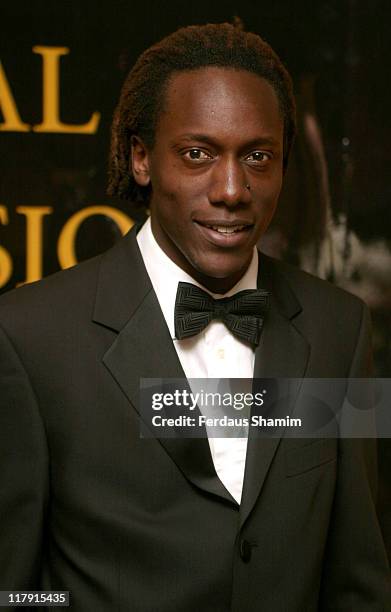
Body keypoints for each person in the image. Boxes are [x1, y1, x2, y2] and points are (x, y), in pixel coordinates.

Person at [0, 22, 389, 612]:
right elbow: (16, 592)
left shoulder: (341, 328)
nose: (232, 189)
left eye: (258, 156)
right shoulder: (28, 336)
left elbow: (356, 580)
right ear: (140, 158)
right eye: (197, 154)